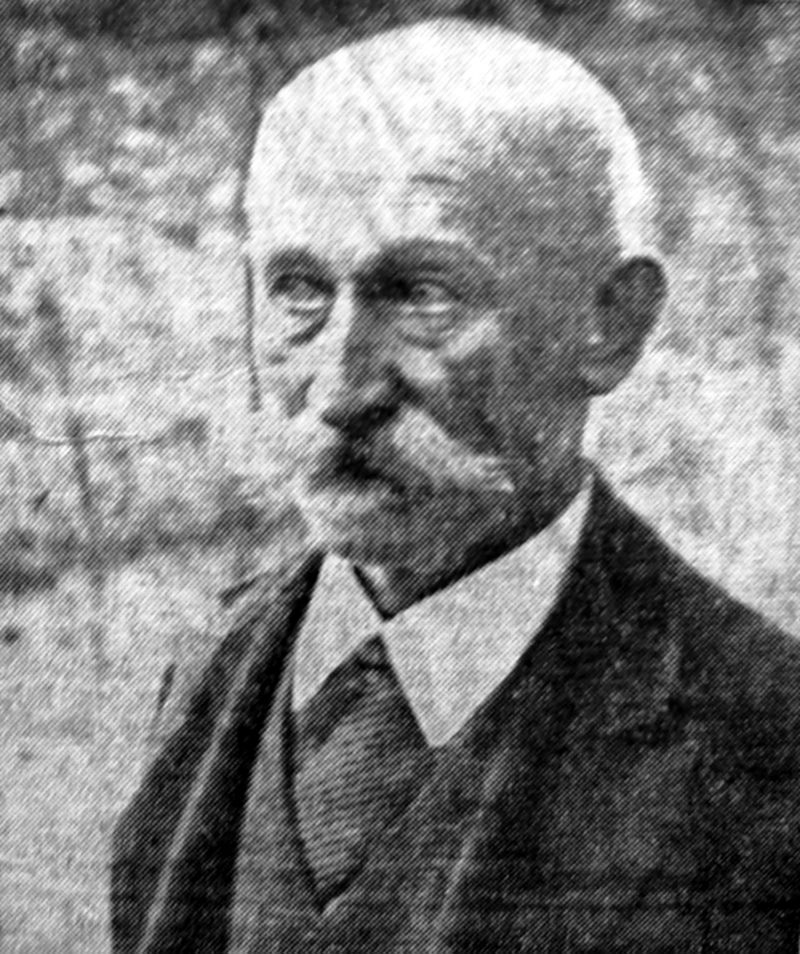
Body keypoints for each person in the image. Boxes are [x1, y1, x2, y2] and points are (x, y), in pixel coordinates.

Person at [111, 19, 800, 954]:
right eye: (299, 289)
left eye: (422, 294)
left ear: (609, 324)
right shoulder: (209, 665)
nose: (343, 389)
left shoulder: (762, 737)